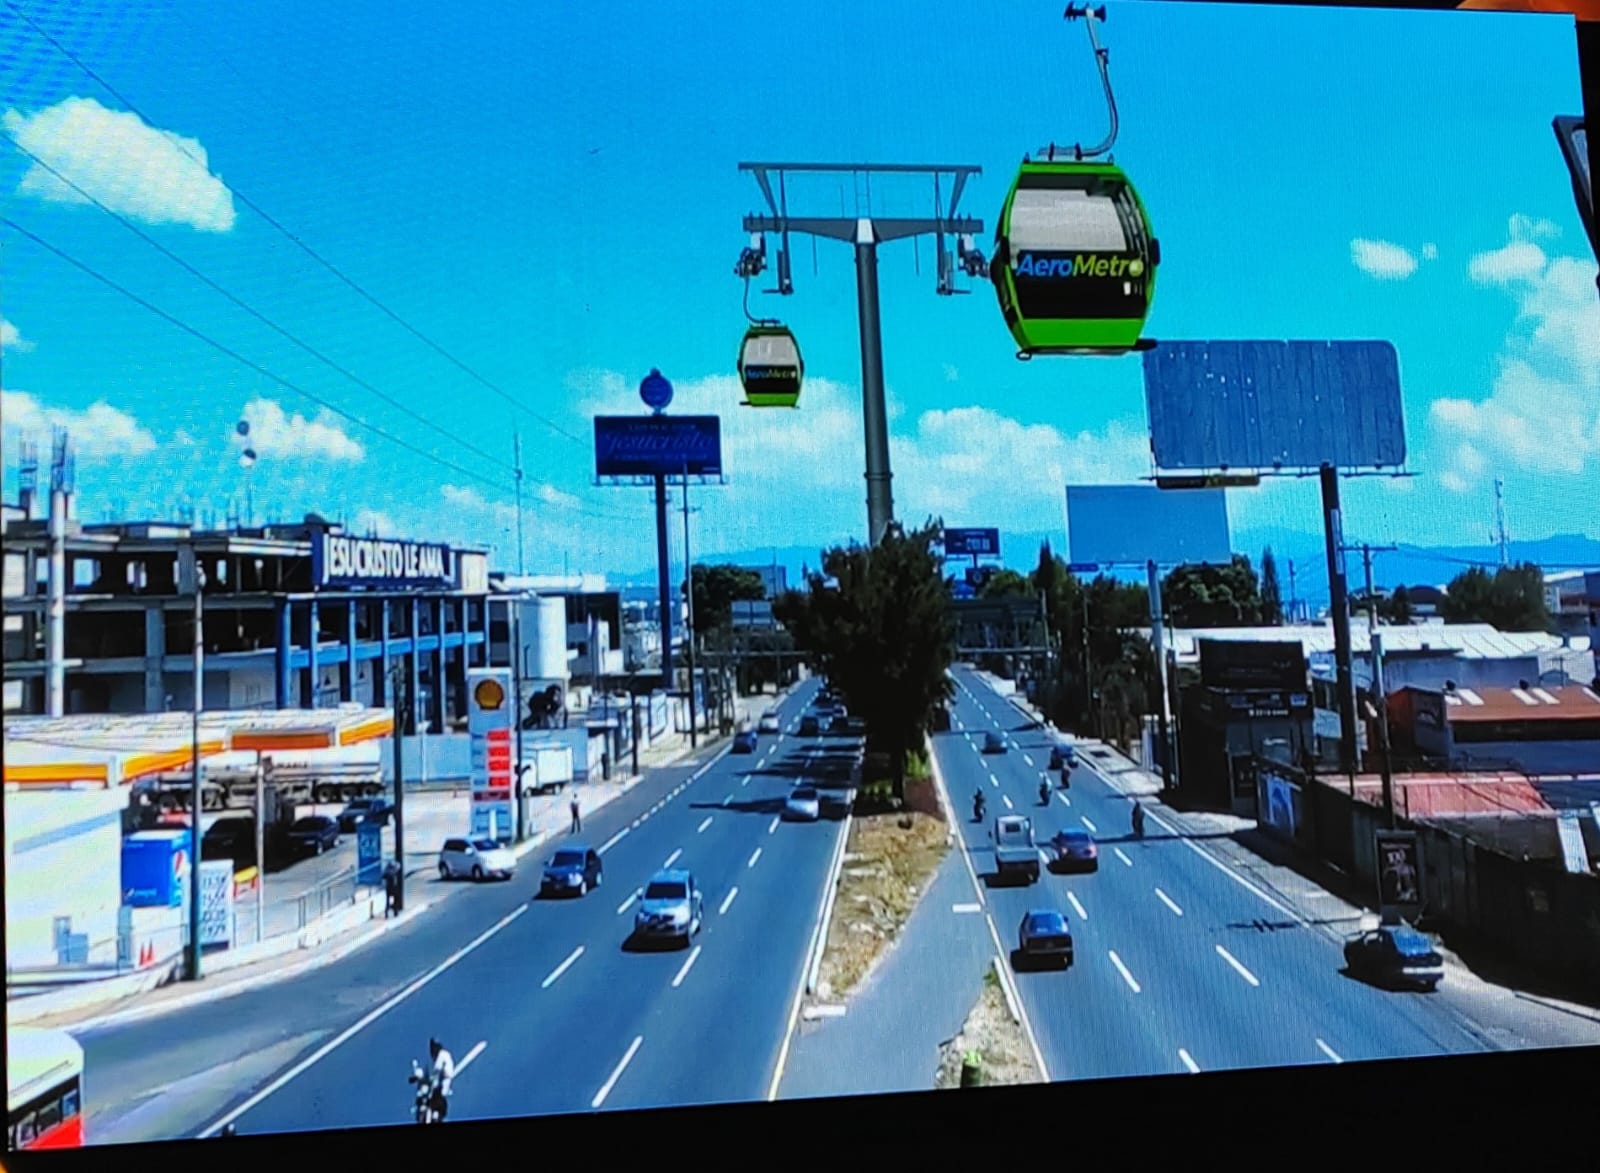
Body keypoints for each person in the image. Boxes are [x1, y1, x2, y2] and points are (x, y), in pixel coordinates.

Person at [427, 1037, 454, 1122]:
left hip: (443, 1081)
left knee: (438, 1096)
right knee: (437, 1098)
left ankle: (437, 1115)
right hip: (441, 1083)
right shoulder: (441, 1056)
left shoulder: (442, 1054)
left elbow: (439, 1069)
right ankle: (437, 1115)